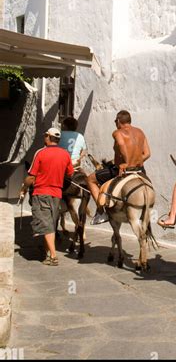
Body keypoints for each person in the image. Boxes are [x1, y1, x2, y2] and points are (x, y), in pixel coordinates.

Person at [19, 127, 74, 266]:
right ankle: (47, 251)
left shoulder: (41, 153)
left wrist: (24, 188)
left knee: (46, 225)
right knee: (49, 223)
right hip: (57, 194)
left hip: (41, 192)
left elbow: (31, 177)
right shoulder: (65, 154)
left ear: (48, 137)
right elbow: (70, 173)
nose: (44, 138)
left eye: (45, 136)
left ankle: (53, 256)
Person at [85, 110, 151, 224]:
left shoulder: (117, 132)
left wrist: (126, 162)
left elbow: (121, 144)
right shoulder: (140, 132)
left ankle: (101, 212)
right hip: (140, 169)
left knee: (90, 179)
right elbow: (147, 153)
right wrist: (135, 161)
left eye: (116, 121)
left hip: (122, 170)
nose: (115, 123)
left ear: (119, 121)